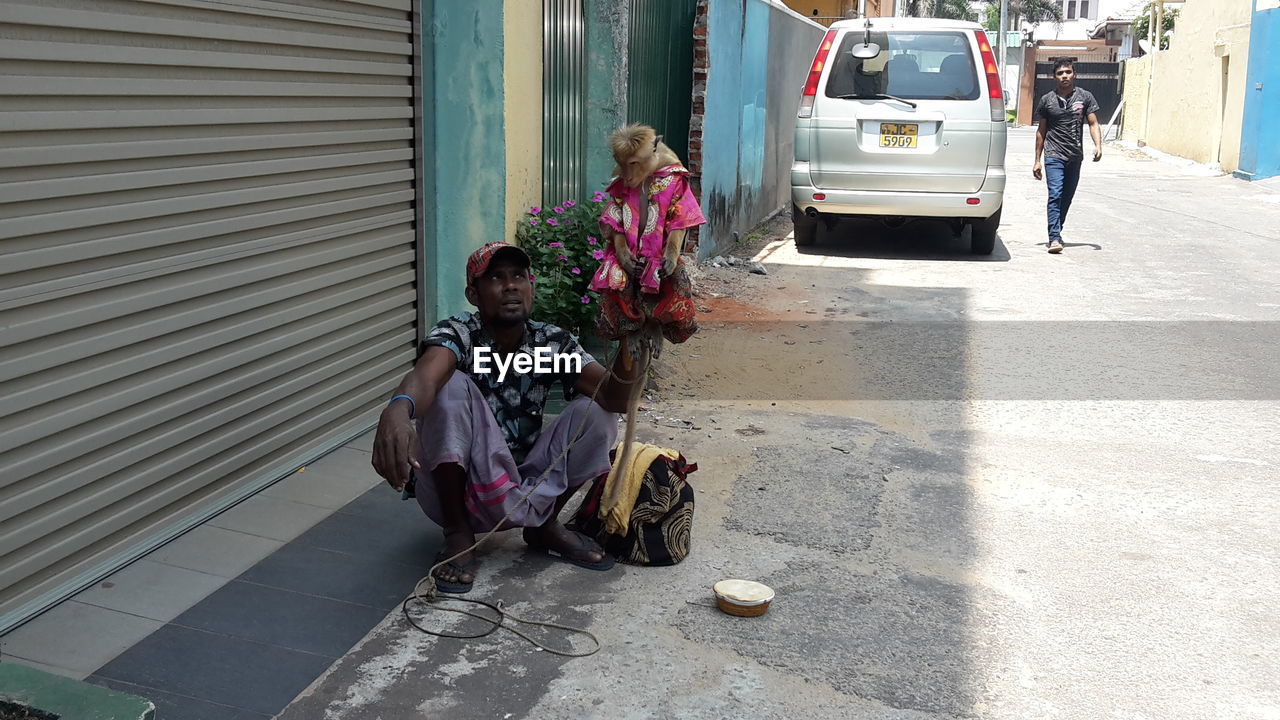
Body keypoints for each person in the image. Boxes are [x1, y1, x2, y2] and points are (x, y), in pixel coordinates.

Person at [371, 241, 639, 593]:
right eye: (496, 277)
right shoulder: (460, 334)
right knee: (449, 388)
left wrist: (632, 335)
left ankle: (543, 525)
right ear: (473, 293)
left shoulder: (551, 344)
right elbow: (426, 375)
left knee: (598, 414)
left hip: (523, 483)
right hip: (461, 490)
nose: (510, 285)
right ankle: (457, 532)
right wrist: (398, 408)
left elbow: (613, 396)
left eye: (519, 276)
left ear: (532, 286)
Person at [1032, 57, 1102, 254]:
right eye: (1060, 73)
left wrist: (1098, 145)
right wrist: (1037, 160)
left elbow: (1094, 123)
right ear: (1054, 77)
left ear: (1074, 74)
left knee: (1067, 197)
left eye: (1068, 72)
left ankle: (1057, 231)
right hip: (1053, 155)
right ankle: (1054, 237)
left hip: (1075, 156)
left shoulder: (1085, 97)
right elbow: (1041, 131)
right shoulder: (1047, 100)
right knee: (1055, 194)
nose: (1065, 76)